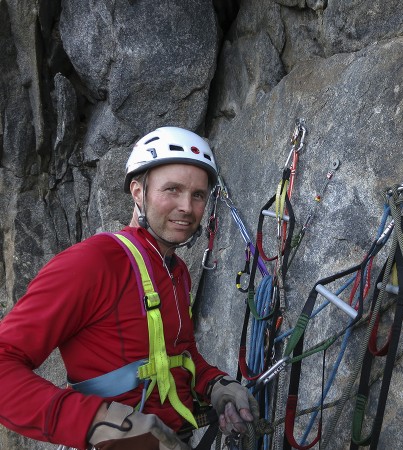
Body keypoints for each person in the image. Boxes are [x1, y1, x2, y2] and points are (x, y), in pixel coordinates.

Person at [0, 127, 258, 449]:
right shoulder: (92, 262)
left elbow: (176, 355)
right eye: (172, 189)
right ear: (138, 192)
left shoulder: (175, 272)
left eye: (198, 195)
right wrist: (100, 425)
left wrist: (215, 385)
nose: (187, 208)